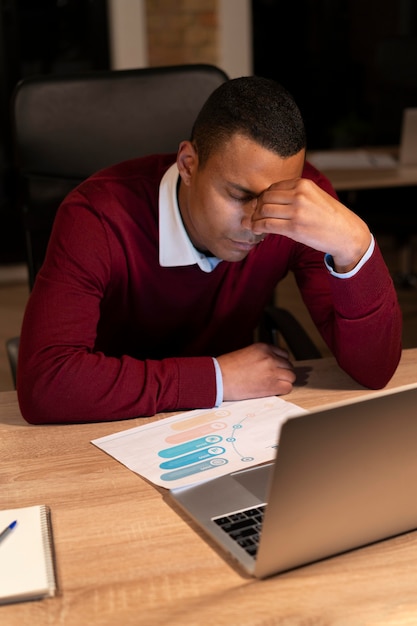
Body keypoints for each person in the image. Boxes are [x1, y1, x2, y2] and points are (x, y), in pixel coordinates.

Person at [16, 76, 402, 424]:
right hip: (111, 420)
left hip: (234, 420)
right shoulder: (97, 216)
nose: (257, 222)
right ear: (187, 164)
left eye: (273, 198)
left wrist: (355, 245)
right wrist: (215, 377)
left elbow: (374, 370)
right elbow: (47, 384)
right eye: (240, 196)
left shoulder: (298, 207)